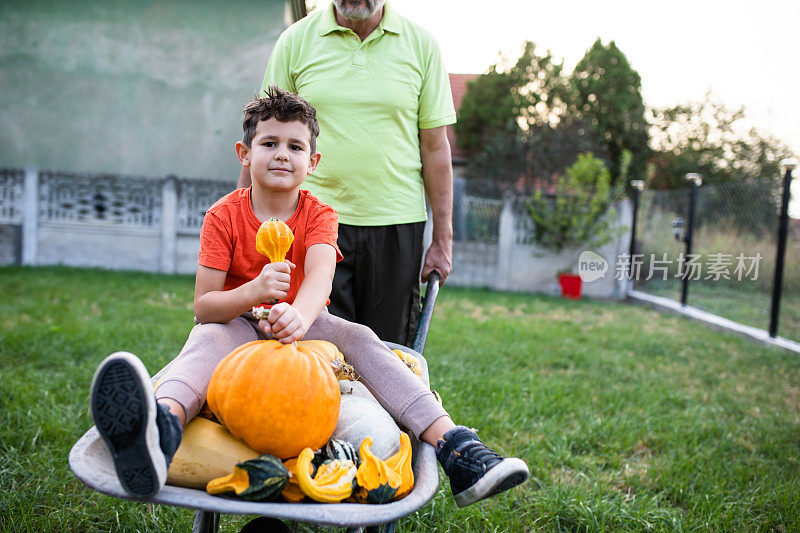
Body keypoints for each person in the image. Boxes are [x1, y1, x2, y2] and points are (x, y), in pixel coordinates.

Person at [89, 87, 528, 507]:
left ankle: (457, 448)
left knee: (360, 339)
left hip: (305, 325)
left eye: (295, 147)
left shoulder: (319, 215)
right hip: (236, 323)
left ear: (312, 161)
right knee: (203, 343)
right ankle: (158, 431)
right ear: (245, 154)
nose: (282, 154)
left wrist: (298, 316)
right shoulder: (223, 216)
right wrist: (253, 292)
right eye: (269, 143)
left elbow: (320, 276)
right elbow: (204, 306)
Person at [237, 0, 455, 347]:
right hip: (308, 222)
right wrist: (244, 221)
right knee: (310, 344)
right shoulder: (296, 41)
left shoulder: (421, 45)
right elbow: (262, 137)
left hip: (396, 224)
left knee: (388, 353)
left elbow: (435, 148)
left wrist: (443, 239)